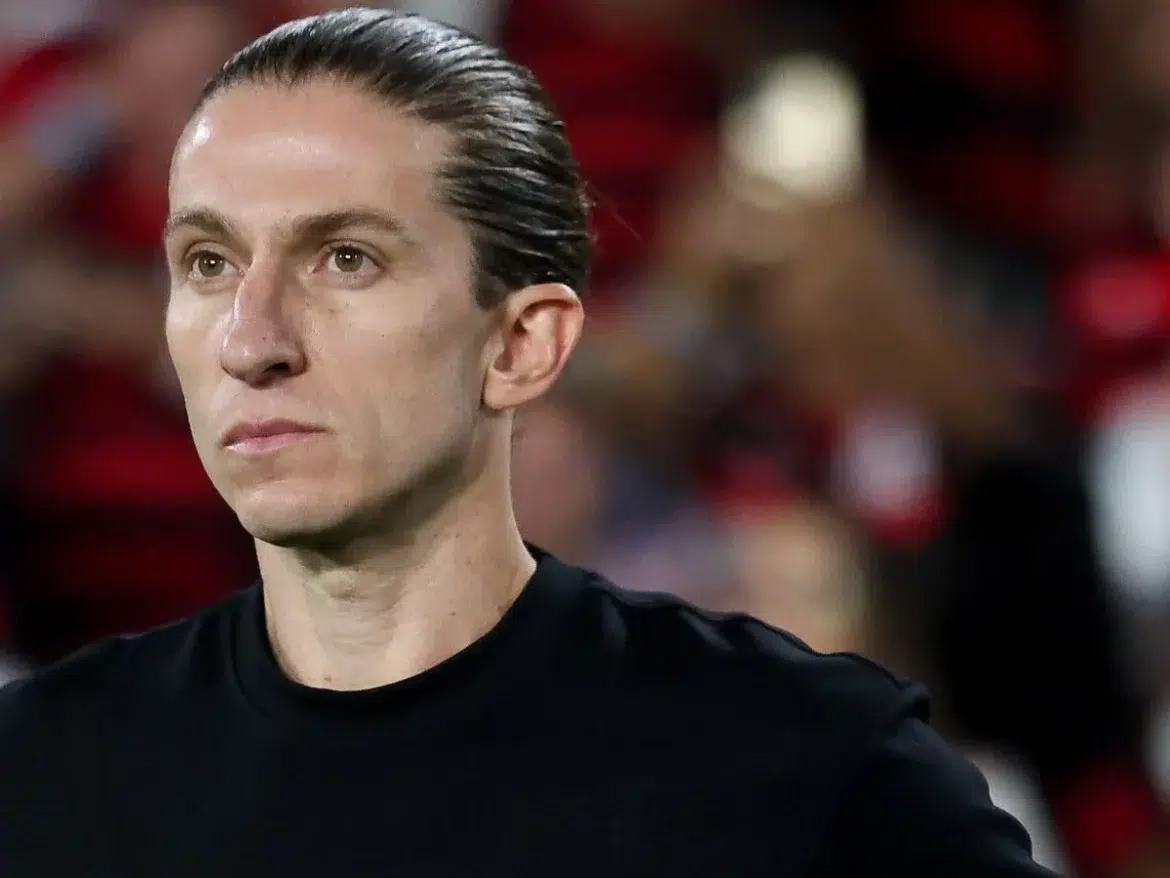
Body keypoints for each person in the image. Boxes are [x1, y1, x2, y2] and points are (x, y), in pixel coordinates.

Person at [0, 9, 1057, 876]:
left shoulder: (802, 758)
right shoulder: (43, 774)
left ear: (522, 342)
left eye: (348, 259)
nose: (253, 339)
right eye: (207, 264)